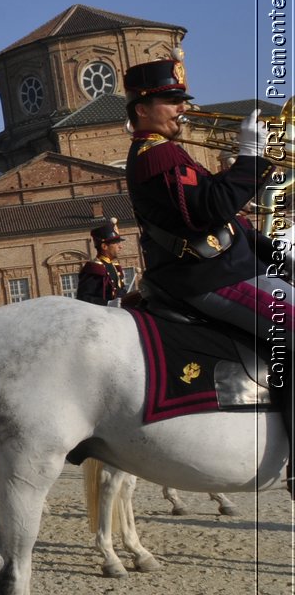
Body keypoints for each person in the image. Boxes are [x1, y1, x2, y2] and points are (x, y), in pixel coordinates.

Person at [124, 57, 291, 446]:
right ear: (142, 109)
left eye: (182, 99)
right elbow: (212, 207)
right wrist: (250, 157)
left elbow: (225, 221)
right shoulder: (157, 155)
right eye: (171, 100)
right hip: (209, 276)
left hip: (226, 265)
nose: (184, 108)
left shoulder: (169, 152)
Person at [77, 219, 128, 306]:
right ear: (104, 246)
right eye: (116, 243)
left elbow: (120, 292)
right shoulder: (94, 268)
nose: (120, 247)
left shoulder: (115, 267)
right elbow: (83, 298)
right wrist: (108, 303)